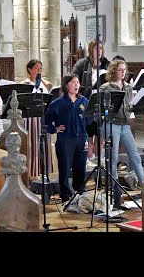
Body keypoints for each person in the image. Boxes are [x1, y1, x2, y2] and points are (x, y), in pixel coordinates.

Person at [99, 59, 144, 208]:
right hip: (111, 124)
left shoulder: (128, 87)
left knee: (135, 156)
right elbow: (102, 107)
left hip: (125, 125)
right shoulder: (105, 87)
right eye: (120, 70)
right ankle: (115, 191)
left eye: (124, 70)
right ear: (113, 71)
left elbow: (129, 105)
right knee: (112, 158)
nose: (123, 72)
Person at [44, 74, 92, 203]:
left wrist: (95, 115)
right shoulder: (58, 103)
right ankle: (65, 195)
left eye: (78, 82)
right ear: (66, 85)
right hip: (66, 139)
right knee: (65, 167)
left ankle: (80, 193)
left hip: (82, 138)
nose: (77, 85)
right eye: (73, 82)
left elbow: (89, 120)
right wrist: (55, 129)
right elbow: (46, 121)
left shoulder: (84, 101)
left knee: (81, 167)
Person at [71, 40, 110, 160]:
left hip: (102, 102)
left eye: (101, 49)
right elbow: (73, 80)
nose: (98, 51)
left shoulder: (107, 64)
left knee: (100, 135)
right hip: (86, 101)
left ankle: (99, 160)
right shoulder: (82, 63)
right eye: (95, 49)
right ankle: (88, 161)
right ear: (90, 50)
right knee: (89, 133)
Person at [20, 59, 54, 180]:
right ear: (30, 69)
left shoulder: (45, 83)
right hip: (31, 118)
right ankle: (32, 174)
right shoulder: (25, 84)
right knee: (33, 145)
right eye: (36, 68)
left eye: (40, 68)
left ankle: (45, 173)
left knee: (45, 145)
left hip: (43, 117)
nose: (39, 71)